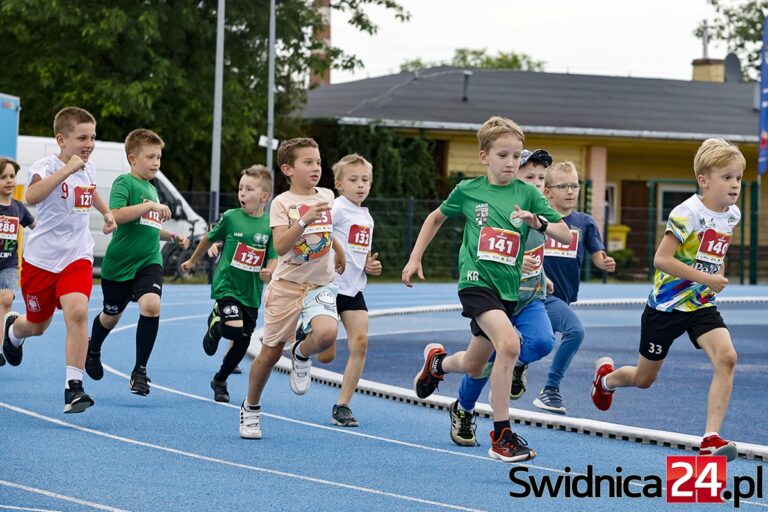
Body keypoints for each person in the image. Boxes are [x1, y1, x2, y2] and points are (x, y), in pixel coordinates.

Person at [402, 116, 571, 462]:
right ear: (485, 157)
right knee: (509, 344)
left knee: (474, 364)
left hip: (508, 292)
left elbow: (564, 234)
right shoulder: (468, 191)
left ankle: (438, 364)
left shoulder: (526, 194)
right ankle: (502, 435)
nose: (510, 163)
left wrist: (536, 221)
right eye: (503, 155)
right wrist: (415, 257)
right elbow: (436, 217)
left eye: (516, 156)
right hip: (476, 284)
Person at [591, 138, 744, 461]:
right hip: (665, 307)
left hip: (701, 306)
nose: (734, 185)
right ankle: (606, 379)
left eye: (738, 178)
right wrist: (708, 279)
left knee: (727, 357)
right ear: (704, 180)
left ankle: (710, 438)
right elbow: (662, 260)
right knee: (644, 379)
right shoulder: (686, 213)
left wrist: (712, 280)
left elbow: (714, 254)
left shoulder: (732, 215)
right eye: (726, 177)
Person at [1, 106, 116, 413]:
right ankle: (12, 332)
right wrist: (67, 169)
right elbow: (32, 196)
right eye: (82, 138)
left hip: (76, 256)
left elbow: (89, 192)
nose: (89, 144)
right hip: (41, 261)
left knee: (77, 311)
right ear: (61, 140)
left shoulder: (88, 167)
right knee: (38, 325)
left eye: (92, 137)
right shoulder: (46, 165)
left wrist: (106, 213)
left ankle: (73, 388)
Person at [449, 149, 556, 447]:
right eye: (529, 177)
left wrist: (543, 276)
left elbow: (539, 246)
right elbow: (485, 252)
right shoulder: (495, 211)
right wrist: (511, 264)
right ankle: (464, 408)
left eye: (540, 178)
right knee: (482, 362)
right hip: (496, 297)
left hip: (529, 298)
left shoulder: (539, 212)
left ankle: (516, 364)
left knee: (542, 341)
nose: (536, 183)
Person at [239, 137, 345, 439]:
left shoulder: (325, 194)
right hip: (287, 286)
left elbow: (326, 230)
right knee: (270, 354)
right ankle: (251, 407)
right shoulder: (281, 204)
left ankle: (300, 352)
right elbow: (281, 246)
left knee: (326, 334)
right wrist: (302, 221)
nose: (316, 168)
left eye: (318, 162)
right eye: (308, 162)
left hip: (320, 283)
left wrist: (339, 249)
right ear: (288, 168)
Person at [84, 128, 189, 396]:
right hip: (119, 265)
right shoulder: (125, 183)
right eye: (151, 157)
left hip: (148, 262)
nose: (156, 163)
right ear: (133, 158)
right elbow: (115, 215)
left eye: (159, 158)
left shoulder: (152, 189)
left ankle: (139, 371)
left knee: (151, 306)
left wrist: (172, 235)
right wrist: (148, 207)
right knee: (110, 317)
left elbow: (149, 227)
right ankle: (92, 350)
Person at [181, 165, 277, 403]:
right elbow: (208, 238)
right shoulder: (231, 217)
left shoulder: (270, 225)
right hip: (227, 286)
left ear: (264, 196)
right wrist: (192, 260)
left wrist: (270, 271)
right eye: (240, 188)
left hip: (251, 292)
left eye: (249, 189)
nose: (242, 193)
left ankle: (220, 379)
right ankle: (217, 322)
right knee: (233, 328)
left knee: (242, 343)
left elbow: (273, 257)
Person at [532, 161, 616, 415]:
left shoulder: (584, 222)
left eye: (574, 185)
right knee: (575, 332)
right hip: (539, 294)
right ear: (547, 192)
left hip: (564, 297)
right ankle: (550, 389)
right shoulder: (539, 220)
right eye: (563, 186)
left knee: (525, 343)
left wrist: (604, 262)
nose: (570, 191)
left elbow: (596, 253)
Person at [315, 153, 382, 427]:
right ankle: (304, 339)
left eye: (365, 180)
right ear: (339, 184)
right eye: (353, 180)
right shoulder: (337, 209)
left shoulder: (367, 217)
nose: (360, 185)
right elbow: (322, 238)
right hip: (330, 287)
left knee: (361, 343)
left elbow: (360, 253)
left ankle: (342, 405)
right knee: (325, 354)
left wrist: (369, 265)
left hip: (354, 290)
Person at [0, 158, 35, 367]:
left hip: (9, 264)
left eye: (12, 176)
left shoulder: (18, 208)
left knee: (5, 299)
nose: (9, 181)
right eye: (3, 177)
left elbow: (35, 227)